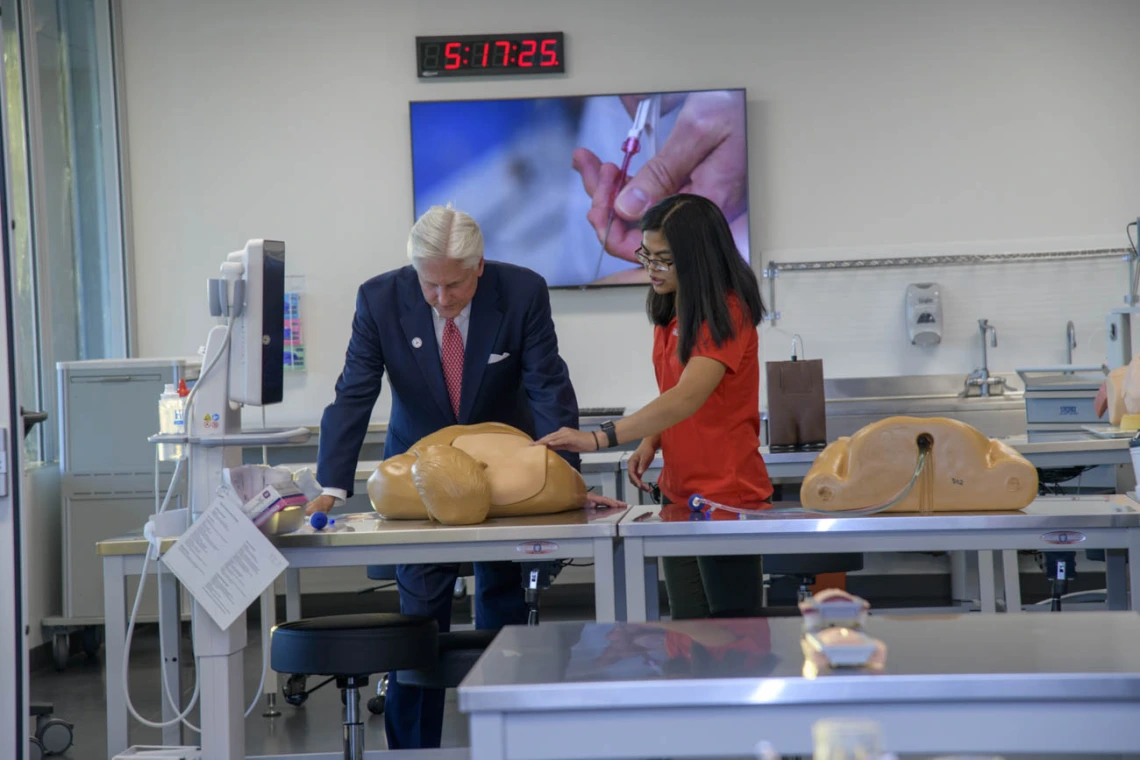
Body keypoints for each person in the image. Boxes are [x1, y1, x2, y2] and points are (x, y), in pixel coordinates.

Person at [307, 205, 619, 749]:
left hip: (507, 472)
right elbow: (355, 390)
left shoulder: (521, 292)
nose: (443, 298)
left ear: (479, 267)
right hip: (421, 479)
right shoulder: (380, 299)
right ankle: (413, 750)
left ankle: (509, 742)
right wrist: (331, 486)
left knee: (503, 611)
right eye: (431, 284)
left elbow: (548, 386)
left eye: (455, 284)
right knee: (419, 622)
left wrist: (566, 481)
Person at [537, 193, 771, 620]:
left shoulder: (727, 312)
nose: (651, 269)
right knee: (689, 632)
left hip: (725, 496)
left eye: (664, 259)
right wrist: (651, 438)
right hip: (680, 492)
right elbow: (673, 390)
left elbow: (688, 396)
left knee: (736, 639)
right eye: (647, 255)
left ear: (698, 258)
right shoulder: (673, 309)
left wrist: (599, 437)